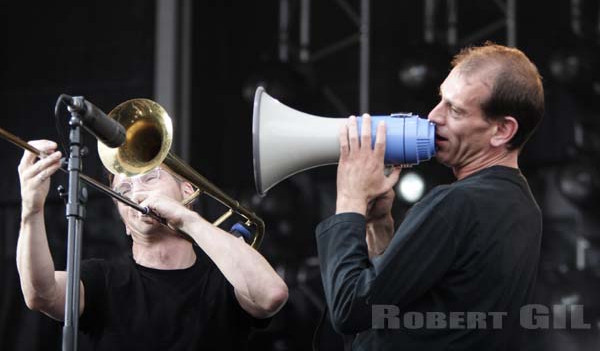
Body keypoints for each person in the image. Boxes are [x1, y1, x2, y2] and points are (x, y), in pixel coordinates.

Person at [316, 42, 545, 350]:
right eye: (441, 100)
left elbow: (350, 309)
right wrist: (379, 225)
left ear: (502, 130)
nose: (434, 116)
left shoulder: (456, 204)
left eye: (456, 110)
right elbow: (404, 305)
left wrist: (349, 200)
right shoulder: (524, 208)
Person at [16, 141, 288, 350]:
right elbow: (40, 294)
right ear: (123, 219)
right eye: (124, 191)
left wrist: (185, 217)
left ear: (187, 192)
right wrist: (31, 209)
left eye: (150, 177)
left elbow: (271, 295)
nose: (137, 193)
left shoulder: (226, 273)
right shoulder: (102, 278)